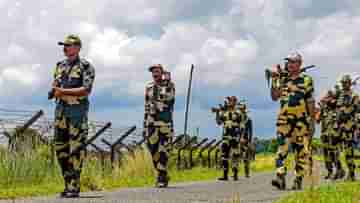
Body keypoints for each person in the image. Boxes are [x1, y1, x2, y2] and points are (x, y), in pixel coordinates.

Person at [49, 34, 95, 198]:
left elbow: (86, 90)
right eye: (64, 45)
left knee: (76, 151)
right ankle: (68, 183)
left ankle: (74, 186)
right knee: (61, 150)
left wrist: (63, 91)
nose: (65, 48)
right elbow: (55, 85)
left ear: (77, 47)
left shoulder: (86, 66)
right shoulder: (59, 65)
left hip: (77, 115)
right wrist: (54, 91)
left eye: (68, 45)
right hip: (61, 114)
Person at [270, 52, 315, 190]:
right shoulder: (283, 79)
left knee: (300, 152)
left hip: (301, 123)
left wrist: (312, 121)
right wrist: (274, 80)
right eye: (288, 62)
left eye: (293, 62)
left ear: (299, 64)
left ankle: (298, 179)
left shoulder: (306, 80)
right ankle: (280, 175)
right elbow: (274, 96)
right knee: (281, 149)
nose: (290, 64)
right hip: (284, 122)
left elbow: (310, 101)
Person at [143, 64, 175, 187]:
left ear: (162, 72)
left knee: (164, 150)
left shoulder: (170, 86)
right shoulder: (149, 87)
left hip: (165, 123)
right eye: (153, 72)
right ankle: (163, 172)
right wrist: (145, 124)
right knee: (153, 150)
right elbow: (146, 105)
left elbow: (169, 99)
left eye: (157, 71)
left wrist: (166, 82)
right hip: (151, 123)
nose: (155, 73)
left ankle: (161, 176)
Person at [214, 96, 243, 181]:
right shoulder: (224, 113)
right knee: (224, 155)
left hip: (235, 137)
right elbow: (219, 122)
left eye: (232, 101)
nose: (230, 102)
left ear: (235, 102)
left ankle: (235, 173)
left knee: (235, 155)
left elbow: (241, 126)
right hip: (226, 137)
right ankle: (225, 175)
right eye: (229, 101)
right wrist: (217, 113)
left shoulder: (238, 113)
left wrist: (241, 137)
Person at [336, 74, 359, 181]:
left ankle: (351, 173)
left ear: (350, 83)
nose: (344, 85)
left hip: (349, 126)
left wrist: (357, 128)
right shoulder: (340, 95)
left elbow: (356, 111)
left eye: (346, 83)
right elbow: (338, 110)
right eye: (342, 83)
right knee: (342, 150)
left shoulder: (354, 96)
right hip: (340, 126)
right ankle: (344, 171)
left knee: (349, 151)